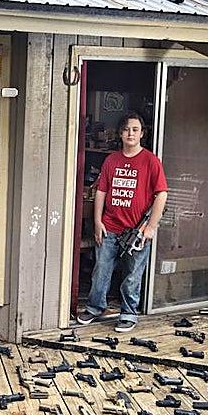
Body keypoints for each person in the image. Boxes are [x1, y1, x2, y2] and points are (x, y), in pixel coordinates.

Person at [76, 112, 168, 332]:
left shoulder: (151, 161)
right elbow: (101, 191)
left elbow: (162, 194)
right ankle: (95, 307)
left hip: (137, 231)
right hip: (110, 227)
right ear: (120, 133)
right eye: (126, 129)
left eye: (135, 129)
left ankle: (128, 313)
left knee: (132, 275)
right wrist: (98, 221)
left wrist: (150, 227)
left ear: (142, 133)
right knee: (101, 270)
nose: (130, 133)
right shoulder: (112, 160)